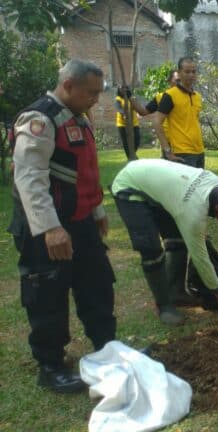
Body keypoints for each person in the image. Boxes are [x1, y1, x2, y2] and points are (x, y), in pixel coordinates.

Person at [7, 59, 115, 393]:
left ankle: (108, 350)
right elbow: (30, 178)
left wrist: (96, 210)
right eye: (91, 92)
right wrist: (50, 228)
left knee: (97, 285)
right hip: (47, 228)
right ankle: (51, 365)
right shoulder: (39, 120)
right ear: (68, 85)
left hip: (80, 223)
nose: (96, 99)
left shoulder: (78, 117)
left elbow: (83, 170)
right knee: (47, 296)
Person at [111, 159, 218, 325]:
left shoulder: (216, 182)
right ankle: (164, 306)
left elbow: (195, 209)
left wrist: (195, 232)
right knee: (150, 248)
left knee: (178, 238)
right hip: (129, 186)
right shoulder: (192, 214)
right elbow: (200, 258)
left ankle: (176, 292)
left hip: (157, 187)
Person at [153, 57, 205, 167]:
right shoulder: (170, 95)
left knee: (199, 184)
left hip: (199, 151)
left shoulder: (197, 97)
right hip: (182, 152)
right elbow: (157, 122)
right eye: (187, 72)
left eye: (193, 72)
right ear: (179, 73)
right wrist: (167, 151)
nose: (191, 75)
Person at [115, 86, 141, 160]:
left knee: (137, 139)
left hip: (134, 123)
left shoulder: (132, 98)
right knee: (126, 142)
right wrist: (124, 114)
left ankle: (132, 154)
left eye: (125, 88)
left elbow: (137, 107)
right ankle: (130, 157)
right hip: (122, 124)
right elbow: (118, 108)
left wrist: (139, 114)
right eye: (122, 88)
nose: (124, 90)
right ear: (119, 90)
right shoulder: (118, 99)